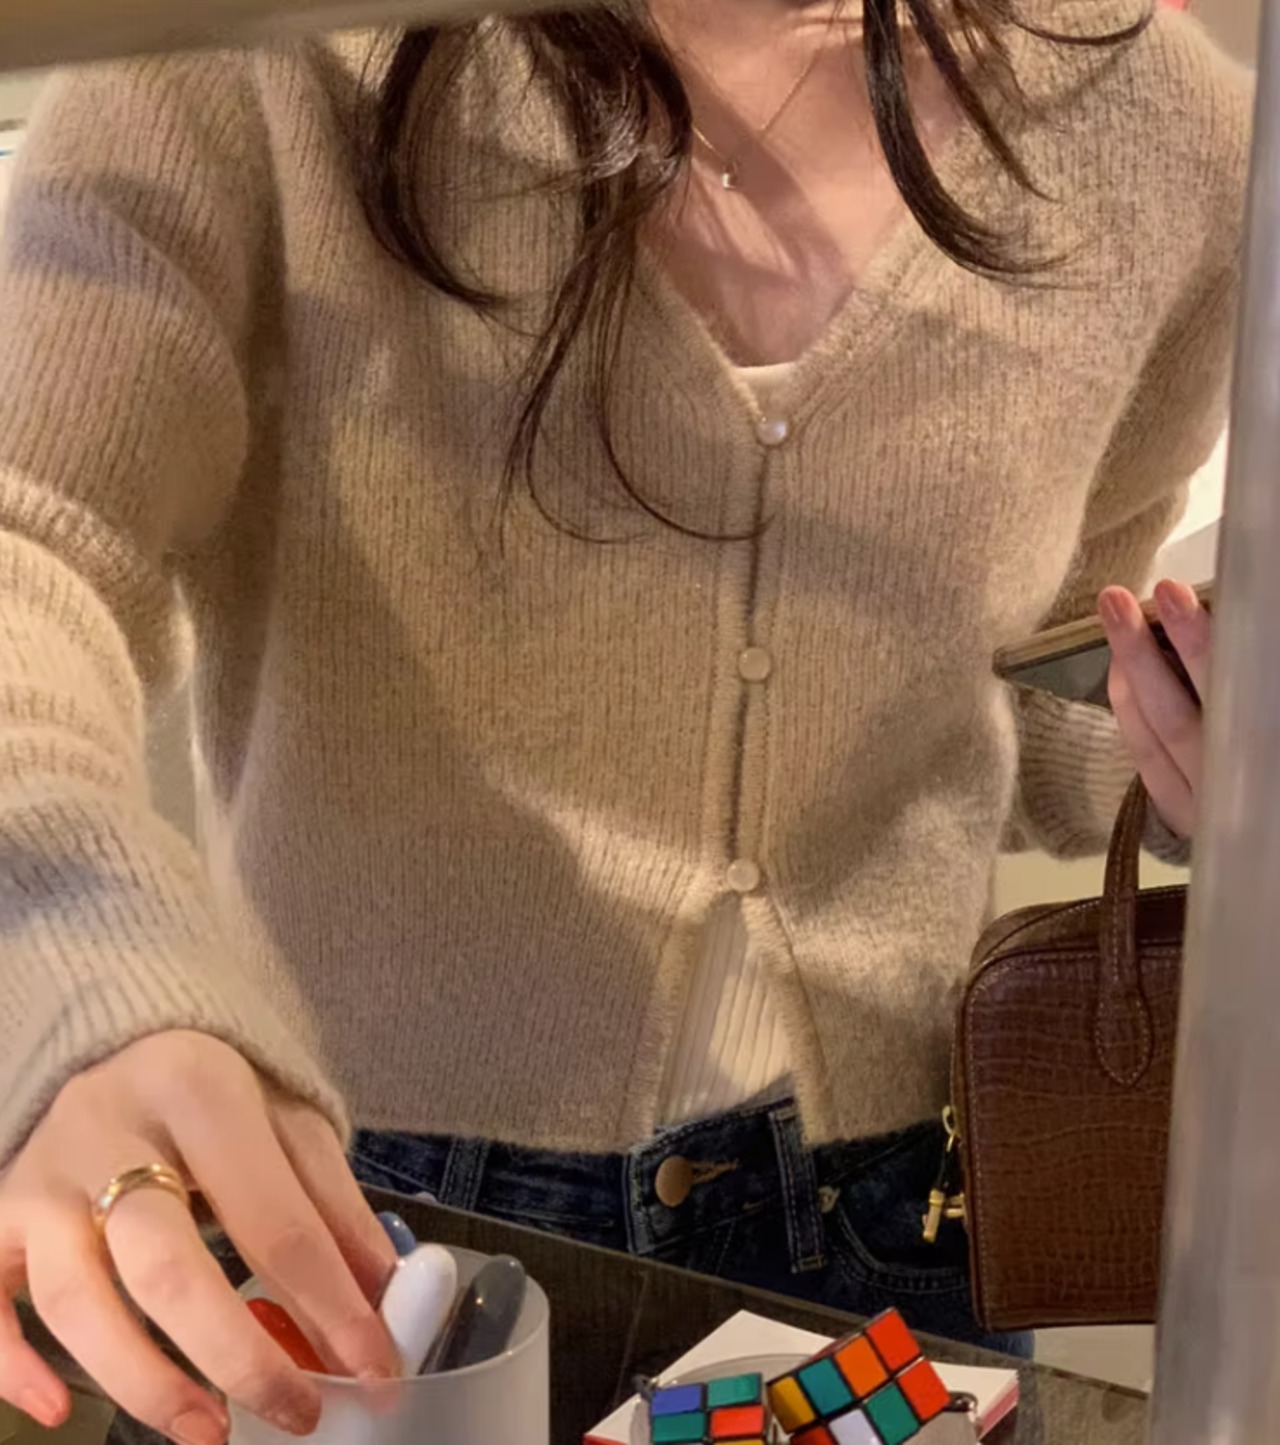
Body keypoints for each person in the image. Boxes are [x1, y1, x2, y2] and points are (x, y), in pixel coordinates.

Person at [0, 0, 1247, 1439]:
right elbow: (33, 537)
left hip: (895, 1222)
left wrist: (1189, 753)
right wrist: (83, 959)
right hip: (361, 1228)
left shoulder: (1168, 137)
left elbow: (1035, 671)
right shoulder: (251, 54)